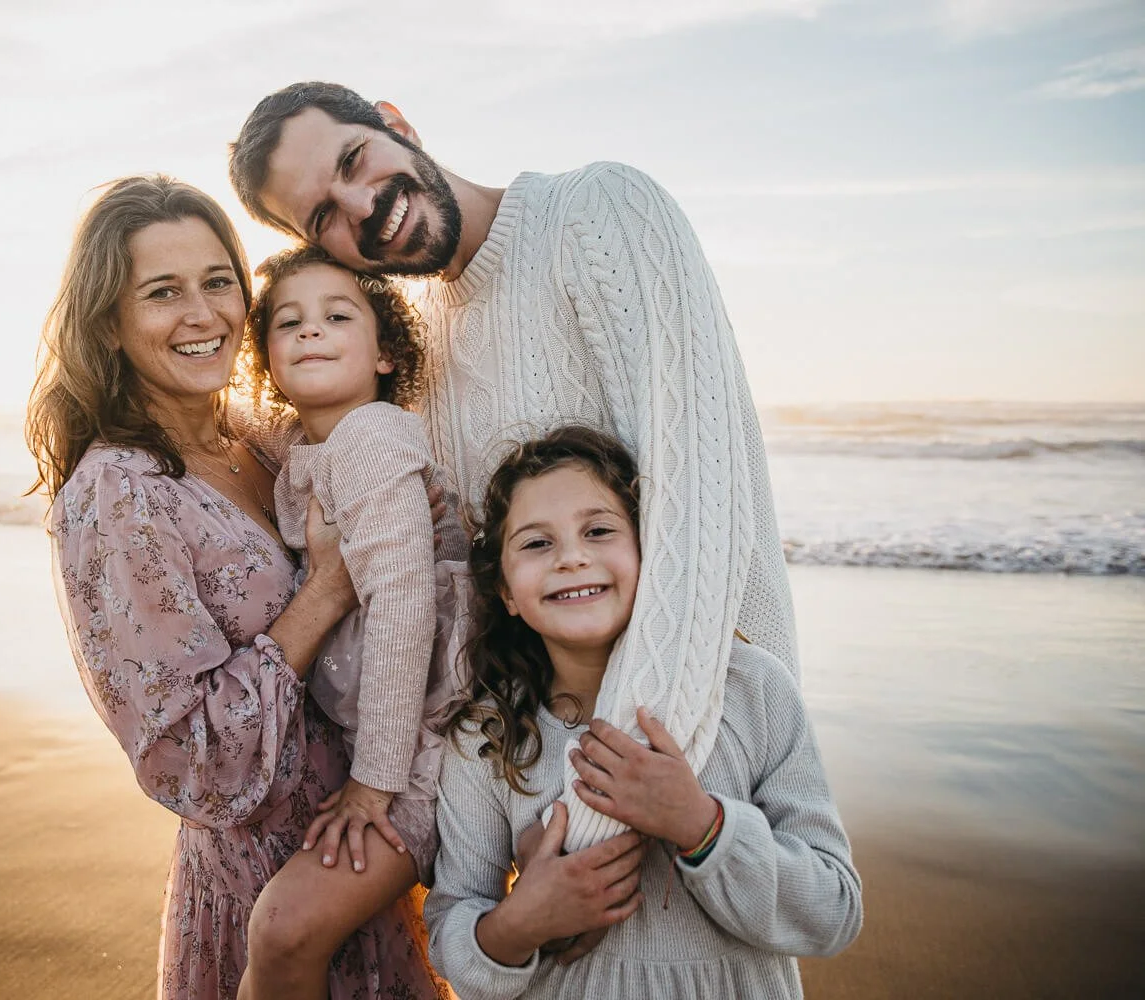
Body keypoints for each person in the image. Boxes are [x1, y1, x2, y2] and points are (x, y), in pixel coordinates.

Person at [229, 82, 801, 855]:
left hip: (709, 757)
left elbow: (698, 525)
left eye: (355, 160)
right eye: (323, 215)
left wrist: (590, 825)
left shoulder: (601, 212)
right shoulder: (415, 345)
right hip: (555, 791)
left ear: (397, 124)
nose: (361, 206)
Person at [26, 175, 445, 1000]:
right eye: (161, 293)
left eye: (219, 282)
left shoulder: (260, 443)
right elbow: (190, 761)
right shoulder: (120, 494)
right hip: (266, 877)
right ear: (109, 323)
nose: (203, 314)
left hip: (358, 842)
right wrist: (326, 590)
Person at [426, 425, 861, 998]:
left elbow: (834, 912)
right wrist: (520, 925)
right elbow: (453, 920)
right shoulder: (488, 733)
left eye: (599, 530)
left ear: (649, 551)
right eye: (536, 543)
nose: (572, 558)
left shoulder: (750, 692)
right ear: (505, 590)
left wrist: (700, 824)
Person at [232, 245, 470, 999]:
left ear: (388, 353)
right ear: (265, 357)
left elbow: (404, 616)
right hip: (385, 743)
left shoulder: (370, 438)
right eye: (287, 323)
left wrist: (374, 787)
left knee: (285, 928)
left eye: (337, 317)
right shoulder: (309, 443)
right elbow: (233, 417)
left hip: (423, 750)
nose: (310, 332)